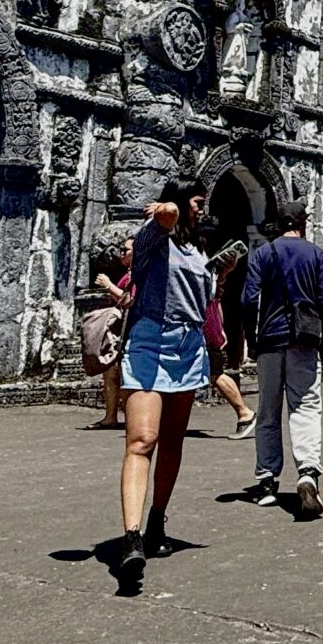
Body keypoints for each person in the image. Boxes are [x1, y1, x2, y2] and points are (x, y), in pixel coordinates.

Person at [113, 183, 214, 587]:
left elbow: (203, 301)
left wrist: (218, 275)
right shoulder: (154, 237)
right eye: (197, 203)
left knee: (173, 441)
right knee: (143, 440)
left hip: (189, 343)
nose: (201, 211)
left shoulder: (199, 249)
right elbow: (166, 218)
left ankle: (157, 521)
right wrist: (168, 207)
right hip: (151, 340)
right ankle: (131, 537)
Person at [243, 206, 323, 519]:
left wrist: (251, 340)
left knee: (268, 410)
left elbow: (248, 300)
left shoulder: (263, 253)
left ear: (278, 225)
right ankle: (308, 473)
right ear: (303, 223)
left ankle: (267, 482)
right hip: (305, 341)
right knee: (306, 407)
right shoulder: (316, 254)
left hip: (269, 339)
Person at [201, 232, 257, 440]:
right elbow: (217, 299)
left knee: (215, 373)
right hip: (210, 327)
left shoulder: (202, 273)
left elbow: (213, 300)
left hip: (206, 329)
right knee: (213, 372)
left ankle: (245, 413)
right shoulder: (209, 275)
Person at [80, 245, 128, 430]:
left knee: (122, 374)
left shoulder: (140, 273)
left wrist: (109, 285)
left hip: (130, 329)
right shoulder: (129, 273)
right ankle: (110, 416)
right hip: (119, 330)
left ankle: (131, 415)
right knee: (110, 373)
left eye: (127, 250)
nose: (122, 253)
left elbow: (129, 299)